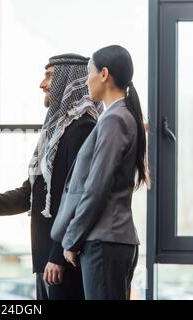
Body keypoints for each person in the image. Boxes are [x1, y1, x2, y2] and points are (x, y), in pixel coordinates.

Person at [0, 54, 102, 300]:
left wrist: (58, 256)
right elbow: (31, 194)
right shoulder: (58, 132)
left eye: (50, 76)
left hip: (64, 262)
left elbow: (78, 198)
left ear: (70, 80)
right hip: (48, 261)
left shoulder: (83, 129)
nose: (42, 84)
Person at [51, 45, 150, 300]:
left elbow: (96, 187)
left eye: (89, 73)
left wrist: (71, 239)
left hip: (105, 242)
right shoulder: (124, 115)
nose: (87, 81)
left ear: (104, 74)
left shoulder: (115, 118)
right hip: (113, 239)